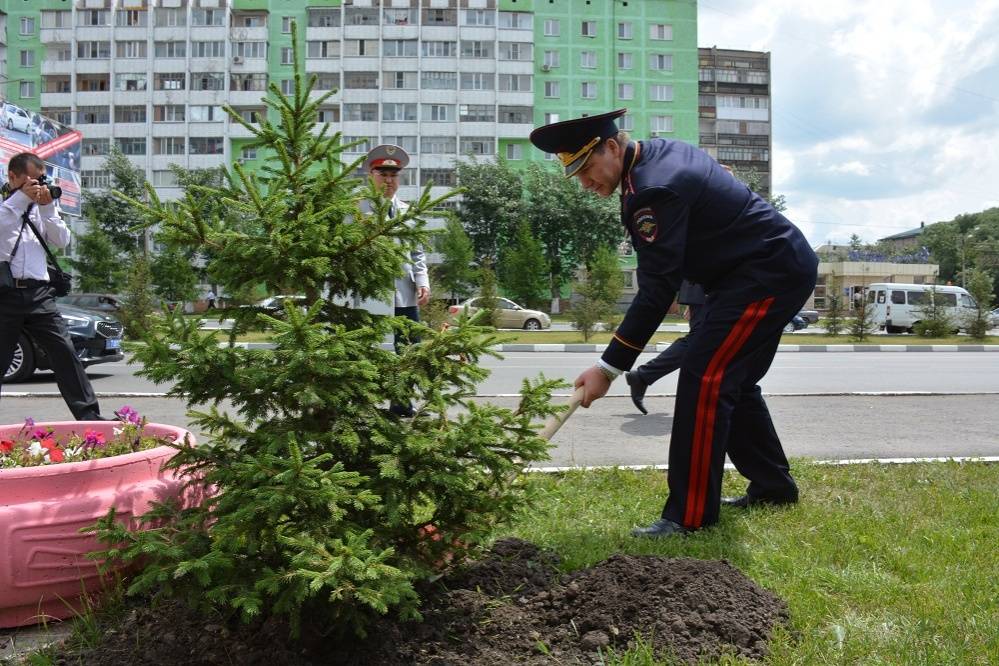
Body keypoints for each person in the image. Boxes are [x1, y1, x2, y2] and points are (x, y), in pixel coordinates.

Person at [529, 109, 818, 538]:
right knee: (732, 382)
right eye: (577, 175)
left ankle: (689, 516)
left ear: (612, 146)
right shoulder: (653, 158)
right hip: (750, 274)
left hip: (766, 275)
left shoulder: (652, 189)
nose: (586, 184)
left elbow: (655, 290)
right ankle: (773, 487)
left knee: (705, 379)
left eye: (587, 169)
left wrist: (608, 368)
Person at [0, 152, 108, 421]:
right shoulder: (6, 205)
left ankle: (89, 417)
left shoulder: (43, 206)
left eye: (41, 180)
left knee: (65, 353)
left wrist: (48, 208)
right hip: (5, 295)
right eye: (31, 181)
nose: (38, 187)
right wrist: (22, 198)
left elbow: (62, 241)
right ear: (12, 177)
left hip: (39, 293)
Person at [363, 144, 430, 418]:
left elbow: (417, 251)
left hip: (404, 295)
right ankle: (363, 403)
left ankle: (401, 402)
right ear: (371, 175)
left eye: (394, 175)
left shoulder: (405, 211)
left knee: (408, 351)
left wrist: (423, 281)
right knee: (369, 351)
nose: (389, 181)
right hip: (368, 297)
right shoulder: (356, 210)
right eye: (383, 174)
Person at [624, 280, 705, 415]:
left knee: (707, 341)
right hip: (710, 289)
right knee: (699, 340)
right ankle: (643, 375)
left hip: (708, 290)